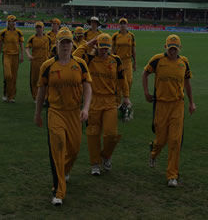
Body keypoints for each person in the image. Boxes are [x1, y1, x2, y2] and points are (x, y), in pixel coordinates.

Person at [34, 29, 92, 206]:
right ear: (56, 44)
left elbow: (88, 87)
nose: (66, 45)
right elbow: (41, 91)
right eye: (62, 42)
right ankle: (59, 191)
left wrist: (86, 108)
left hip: (74, 113)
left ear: (72, 44)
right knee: (58, 147)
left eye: (68, 42)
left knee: (74, 149)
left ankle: (65, 170)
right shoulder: (48, 66)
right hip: (56, 112)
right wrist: (37, 113)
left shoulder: (80, 64)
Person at [142, 34, 196, 187]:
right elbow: (145, 73)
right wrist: (146, 92)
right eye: (170, 48)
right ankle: (154, 152)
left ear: (180, 48)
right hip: (161, 105)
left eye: (175, 48)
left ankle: (172, 175)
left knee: (175, 140)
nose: (173, 51)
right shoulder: (158, 60)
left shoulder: (184, 62)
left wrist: (192, 103)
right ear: (165, 47)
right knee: (162, 139)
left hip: (177, 105)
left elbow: (188, 83)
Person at [73, 33, 131, 176]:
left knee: (111, 134)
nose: (103, 51)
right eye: (101, 47)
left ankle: (106, 155)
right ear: (97, 46)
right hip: (93, 101)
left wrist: (126, 97)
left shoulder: (115, 60)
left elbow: (122, 80)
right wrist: (88, 44)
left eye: (106, 48)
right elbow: (74, 57)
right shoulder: (89, 58)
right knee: (93, 134)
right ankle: (95, 164)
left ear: (110, 47)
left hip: (110, 101)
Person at [0, 15, 24, 103]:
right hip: (6, 55)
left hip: (16, 56)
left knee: (14, 78)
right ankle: (5, 93)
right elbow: (0, 45)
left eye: (14, 21)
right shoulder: (3, 32)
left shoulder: (19, 32)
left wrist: (22, 56)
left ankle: (11, 97)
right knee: (8, 75)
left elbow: (21, 45)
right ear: (8, 22)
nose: (14, 22)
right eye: (12, 21)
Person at [112, 18, 136, 114]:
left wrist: (135, 62)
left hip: (127, 61)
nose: (123, 25)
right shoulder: (115, 36)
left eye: (124, 23)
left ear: (127, 25)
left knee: (129, 80)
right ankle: (117, 103)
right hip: (118, 61)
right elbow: (112, 49)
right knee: (118, 83)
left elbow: (133, 49)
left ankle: (126, 100)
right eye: (121, 23)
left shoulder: (131, 35)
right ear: (119, 25)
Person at [25, 21, 51, 102]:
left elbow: (51, 48)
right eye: (37, 27)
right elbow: (27, 47)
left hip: (45, 61)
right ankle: (36, 97)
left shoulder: (48, 38)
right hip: (35, 61)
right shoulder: (32, 38)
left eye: (40, 27)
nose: (39, 29)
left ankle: (45, 97)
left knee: (46, 79)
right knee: (35, 80)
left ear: (43, 28)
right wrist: (28, 55)